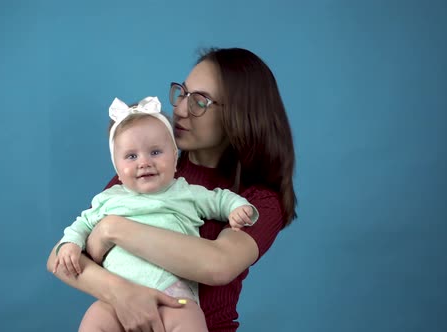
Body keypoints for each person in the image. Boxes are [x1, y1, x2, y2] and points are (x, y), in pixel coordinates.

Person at [46, 47, 297, 332]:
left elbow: (218, 264)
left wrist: (111, 229)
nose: (179, 109)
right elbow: (60, 258)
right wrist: (122, 293)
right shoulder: (148, 175)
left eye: (199, 101)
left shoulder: (256, 200)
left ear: (240, 115)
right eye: (182, 93)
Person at [53, 96, 259, 331]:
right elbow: (83, 224)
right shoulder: (109, 199)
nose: (144, 162)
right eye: (131, 156)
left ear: (174, 158)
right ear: (117, 169)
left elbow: (220, 198)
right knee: (94, 321)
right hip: (118, 298)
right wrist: (71, 243)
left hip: (174, 294)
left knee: (189, 320)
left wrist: (237, 208)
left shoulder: (186, 191)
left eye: (155, 152)